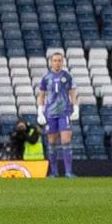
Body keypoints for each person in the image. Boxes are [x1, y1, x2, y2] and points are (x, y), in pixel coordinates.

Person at [35, 49, 80, 178]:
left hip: (64, 112)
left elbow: (72, 93)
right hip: (50, 114)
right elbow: (41, 96)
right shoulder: (46, 78)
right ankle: (54, 172)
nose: (57, 63)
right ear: (51, 62)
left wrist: (75, 108)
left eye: (59, 60)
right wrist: (40, 113)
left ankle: (68, 172)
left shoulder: (67, 76)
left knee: (66, 140)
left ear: (63, 62)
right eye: (55, 60)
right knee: (52, 142)